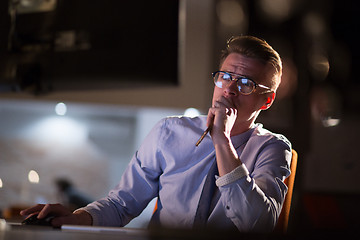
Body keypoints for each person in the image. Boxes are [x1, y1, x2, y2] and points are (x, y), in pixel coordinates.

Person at [21, 36, 292, 232]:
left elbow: (259, 225)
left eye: (245, 83)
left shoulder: (272, 148)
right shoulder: (169, 131)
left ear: (266, 101)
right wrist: (75, 218)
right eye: (225, 76)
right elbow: (122, 204)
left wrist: (222, 140)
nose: (229, 89)